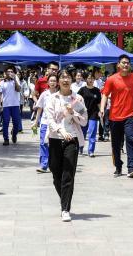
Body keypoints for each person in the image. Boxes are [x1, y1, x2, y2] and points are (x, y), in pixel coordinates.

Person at [45, 69, 88, 222]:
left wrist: (74, 113)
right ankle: (64, 198)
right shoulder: (52, 98)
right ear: (57, 80)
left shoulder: (78, 99)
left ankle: (65, 208)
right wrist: (60, 130)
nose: (65, 80)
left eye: (68, 77)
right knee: (55, 172)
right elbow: (49, 119)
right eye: (62, 77)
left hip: (72, 139)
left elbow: (84, 121)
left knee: (68, 174)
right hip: (55, 138)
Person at [100, 54, 133, 178]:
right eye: (123, 62)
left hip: (130, 115)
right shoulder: (111, 79)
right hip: (114, 116)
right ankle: (118, 166)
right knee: (116, 144)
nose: (125, 64)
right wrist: (102, 108)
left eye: (127, 63)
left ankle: (131, 167)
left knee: (131, 139)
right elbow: (105, 94)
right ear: (118, 64)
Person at [33, 74, 59, 173]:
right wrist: (36, 122)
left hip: (55, 124)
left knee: (53, 144)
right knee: (43, 143)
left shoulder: (59, 94)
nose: (52, 82)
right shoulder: (44, 94)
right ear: (47, 82)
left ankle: (53, 164)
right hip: (44, 122)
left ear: (57, 83)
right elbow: (40, 108)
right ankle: (43, 165)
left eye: (54, 81)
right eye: (51, 81)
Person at [78, 71, 101, 157]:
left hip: (93, 114)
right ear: (86, 79)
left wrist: (100, 111)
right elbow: (77, 101)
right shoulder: (82, 90)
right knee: (82, 132)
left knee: (92, 132)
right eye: (88, 78)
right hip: (83, 113)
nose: (90, 80)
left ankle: (91, 151)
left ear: (94, 79)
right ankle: (80, 146)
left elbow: (99, 102)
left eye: (92, 78)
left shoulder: (97, 91)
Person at [0, 66, 21, 146]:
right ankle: (6, 139)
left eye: (12, 71)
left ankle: (14, 134)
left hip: (15, 105)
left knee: (16, 123)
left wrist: (14, 79)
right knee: (5, 123)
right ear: (6, 73)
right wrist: (0, 104)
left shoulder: (16, 81)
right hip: (6, 106)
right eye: (8, 71)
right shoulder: (2, 83)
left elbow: (18, 89)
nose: (10, 73)